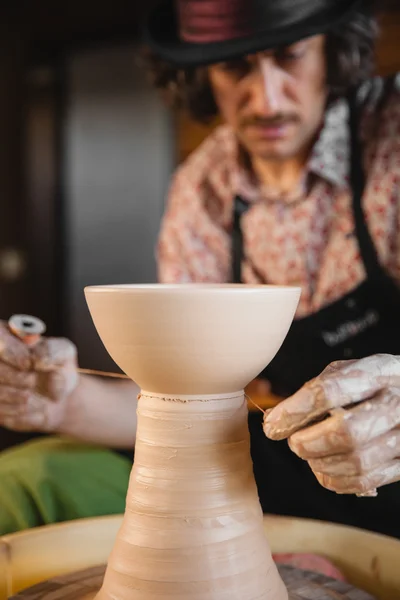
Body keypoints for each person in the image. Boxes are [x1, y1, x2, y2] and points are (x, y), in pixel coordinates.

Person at [0, 0, 400, 541]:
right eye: (236, 67)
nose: (267, 98)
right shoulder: (202, 188)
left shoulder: (391, 136)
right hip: (258, 463)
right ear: (202, 73)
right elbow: (180, 403)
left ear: (332, 49)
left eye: (290, 56)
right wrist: (62, 400)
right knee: (25, 478)